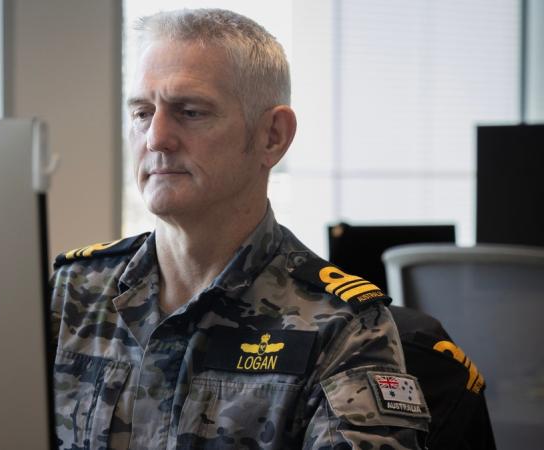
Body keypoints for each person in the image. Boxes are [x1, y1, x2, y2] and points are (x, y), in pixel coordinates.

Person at [50, 9, 430, 449]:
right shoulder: (72, 294)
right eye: (141, 113)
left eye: (189, 112)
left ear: (272, 136)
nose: (155, 138)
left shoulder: (342, 326)